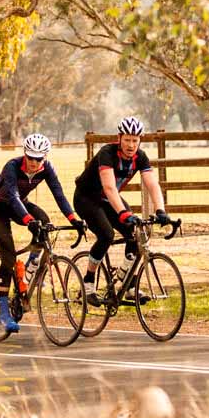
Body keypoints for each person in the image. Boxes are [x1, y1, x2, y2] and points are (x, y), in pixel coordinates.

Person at [0, 133, 85, 332]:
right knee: (8, 258)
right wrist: (28, 221)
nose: (33, 162)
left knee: (45, 222)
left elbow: (59, 195)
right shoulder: (12, 166)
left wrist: (74, 220)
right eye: (30, 157)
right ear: (25, 154)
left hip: (20, 204)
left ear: (45, 158)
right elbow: (13, 197)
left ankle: (31, 266)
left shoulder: (47, 169)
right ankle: (4, 313)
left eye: (38, 159)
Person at [73, 116, 171, 306]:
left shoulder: (140, 157)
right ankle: (88, 283)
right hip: (86, 198)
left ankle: (129, 284)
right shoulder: (107, 153)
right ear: (119, 138)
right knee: (106, 235)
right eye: (127, 140)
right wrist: (123, 213)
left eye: (135, 140)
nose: (131, 145)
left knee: (136, 233)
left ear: (140, 141)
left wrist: (161, 210)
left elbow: (152, 184)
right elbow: (109, 188)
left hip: (108, 199)